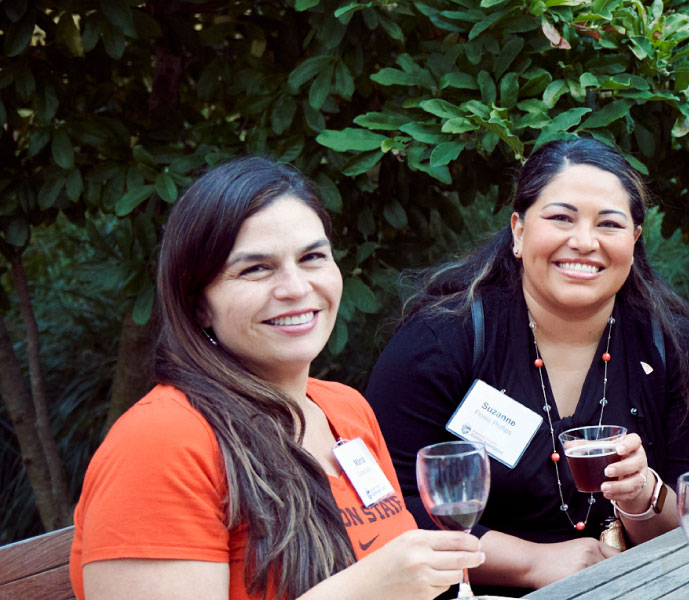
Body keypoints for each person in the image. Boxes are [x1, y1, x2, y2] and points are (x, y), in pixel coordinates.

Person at [70, 157, 484, 600]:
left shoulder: (344, 409)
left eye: (312, 257)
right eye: (256, 269)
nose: (295, 287)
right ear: (198, 305)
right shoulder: (162, 441)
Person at [366, 138, 689, 594]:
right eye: (561, 218)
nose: (584, 242)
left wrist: (643, 498)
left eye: (609, 224)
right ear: (518, 230)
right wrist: (533, 563)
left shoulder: (675, 350)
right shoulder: (442, 341)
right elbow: (382, 506)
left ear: (633, 240)